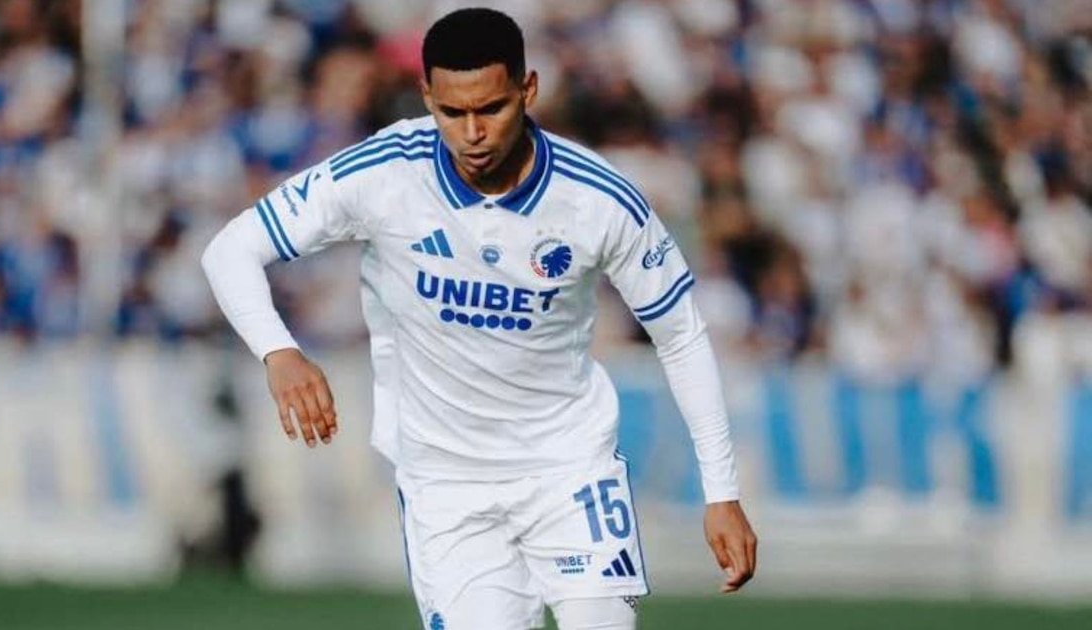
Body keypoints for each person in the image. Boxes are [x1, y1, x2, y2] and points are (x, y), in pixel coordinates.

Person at [201, 8, 756, 629]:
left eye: (491, 109)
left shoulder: (598, 199)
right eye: (452, 112)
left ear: (528, 90)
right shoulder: (385, 172)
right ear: (427, 97)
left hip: (570, 470)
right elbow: (230, 250)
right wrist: (278, 351)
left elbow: (681, 336)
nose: (472, 133)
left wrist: (722, 493)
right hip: (446, 485)